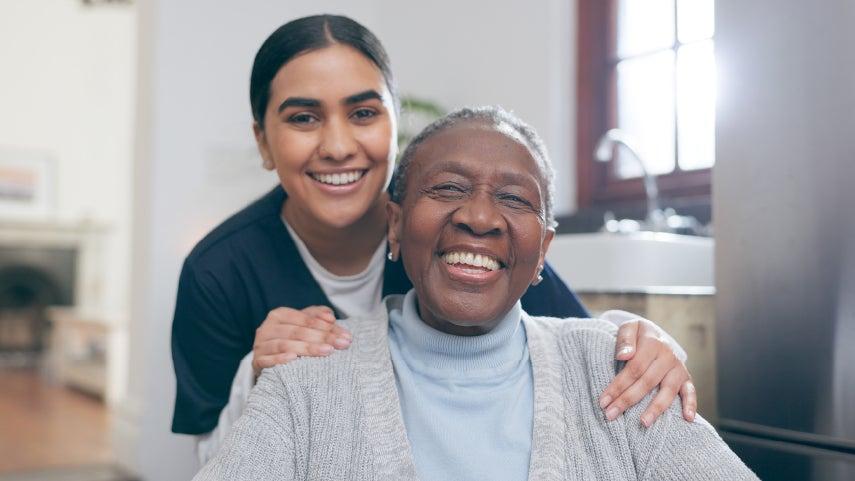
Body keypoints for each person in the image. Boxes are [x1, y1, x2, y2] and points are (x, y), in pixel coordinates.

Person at [171, 14, 696, 463]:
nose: (336, 145)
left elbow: (576, 350)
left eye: (363, 113)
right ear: (263, 141)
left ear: (394, 126)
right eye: (304, 118)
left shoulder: (454, 238)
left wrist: (643, 340)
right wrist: (255, 378)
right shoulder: (219, 270)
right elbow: (210, 458)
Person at [193, 106, 757, 481]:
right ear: (394, 224)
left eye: (514, 199)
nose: (480, 217)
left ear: (543, 251)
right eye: (447, 188)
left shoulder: (620, 374)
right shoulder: (309, 379)